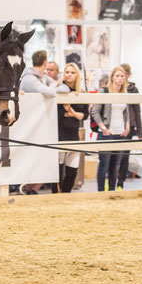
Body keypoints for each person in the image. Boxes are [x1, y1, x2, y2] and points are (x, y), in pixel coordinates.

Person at [19, 50, 56, 194]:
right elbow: (50, 91)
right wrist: (54, 85)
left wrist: (53, 84)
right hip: (28, 124)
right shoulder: (30, 79)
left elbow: (51, 84)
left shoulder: (40, 77)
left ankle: (31, 188)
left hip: (36, 124)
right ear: (45, 63)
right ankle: (27, 186)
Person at [92, 66, 130, 192]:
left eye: (122, 76)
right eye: (117, 76)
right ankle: (101, 192)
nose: (119, 79)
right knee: (104, 166)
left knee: (115, 167)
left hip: (120, 133)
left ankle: (112, 192)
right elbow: (95, 112)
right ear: (112, 77)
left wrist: (127, 126)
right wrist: (103, 128)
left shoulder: (125, 94)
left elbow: (126, 112)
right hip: (106, 133)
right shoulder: (104, 91)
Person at [53, 63, 88, 193]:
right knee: (58, 168)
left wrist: (74, 114)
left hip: (74, 133)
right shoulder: (58, 88)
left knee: (72, 170)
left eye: (73, 72)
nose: (69, 74)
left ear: (77, 75)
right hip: (59, 133)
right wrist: (68, 97)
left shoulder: (82, 93)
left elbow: (85, 115)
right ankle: (55, 194)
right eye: (67, 72)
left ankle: (66, 194)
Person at [117, 63, 142, 189]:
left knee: (125, 156)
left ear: (128, 74)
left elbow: (137, 110)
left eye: (125, 74)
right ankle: (112, 180)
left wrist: (139, 131)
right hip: (116, 125)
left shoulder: (133, 89)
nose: (122, 77)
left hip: (130, 126)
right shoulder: (113, 88)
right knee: (116, 155)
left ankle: (121, 182)